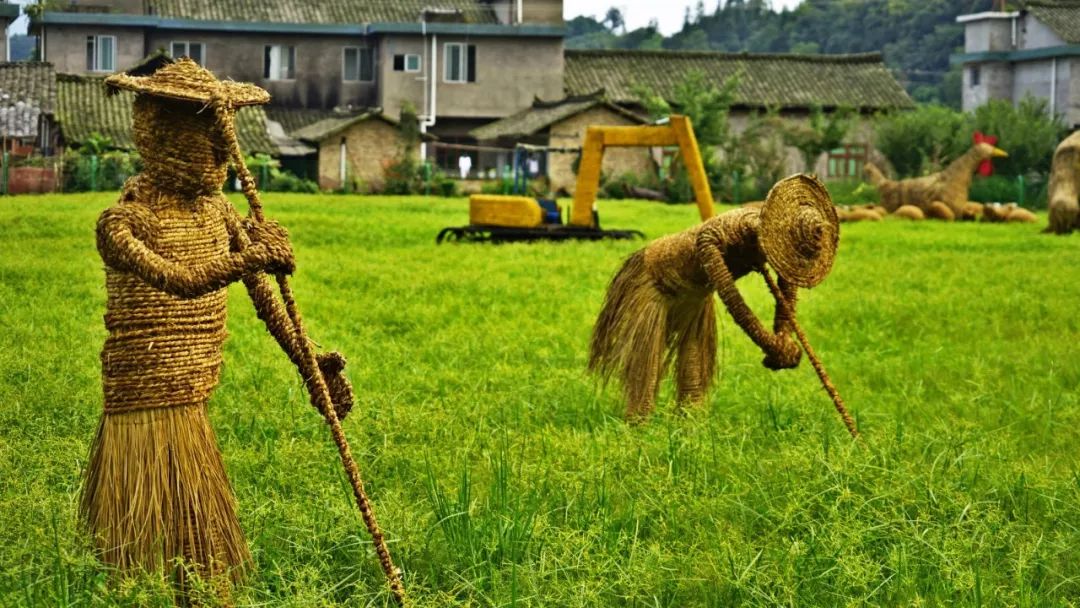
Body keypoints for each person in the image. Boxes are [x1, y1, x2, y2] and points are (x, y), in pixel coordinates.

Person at [82, 58, 352, 597]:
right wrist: (250, 258)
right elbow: (181, 281)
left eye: (220, 135)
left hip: (195, 392)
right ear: (158, 133)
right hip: (144, 400)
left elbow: (267, 302)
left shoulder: (218, 214)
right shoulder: (125, 222)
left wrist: (309, 363)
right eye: (205, 133)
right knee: (134, 554)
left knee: (201, 550)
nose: (220, 152)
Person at [588, 174, 839, 421]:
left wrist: (783, 334)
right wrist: (769, 344)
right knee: (647, 369)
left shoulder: (780, 243)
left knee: (693, 380)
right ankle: (638, 421)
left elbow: (787, 288)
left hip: (696, 297)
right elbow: (732, 300)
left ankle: (688, 422)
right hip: (656, 283)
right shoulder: (716, 236)